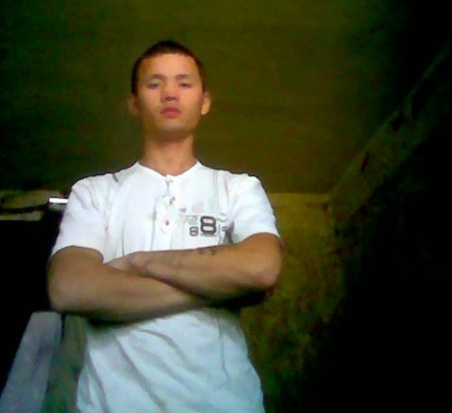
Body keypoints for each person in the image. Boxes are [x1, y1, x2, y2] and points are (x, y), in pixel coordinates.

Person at [47, 40, 282, 413]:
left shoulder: (238, 188)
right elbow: (69, 289)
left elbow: (262, 267)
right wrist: (223, 287)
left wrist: (138, 262)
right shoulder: (94, 192)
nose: (170, 93)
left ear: (205, 102)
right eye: (154, 83)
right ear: (134, 103)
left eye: (184, 83)